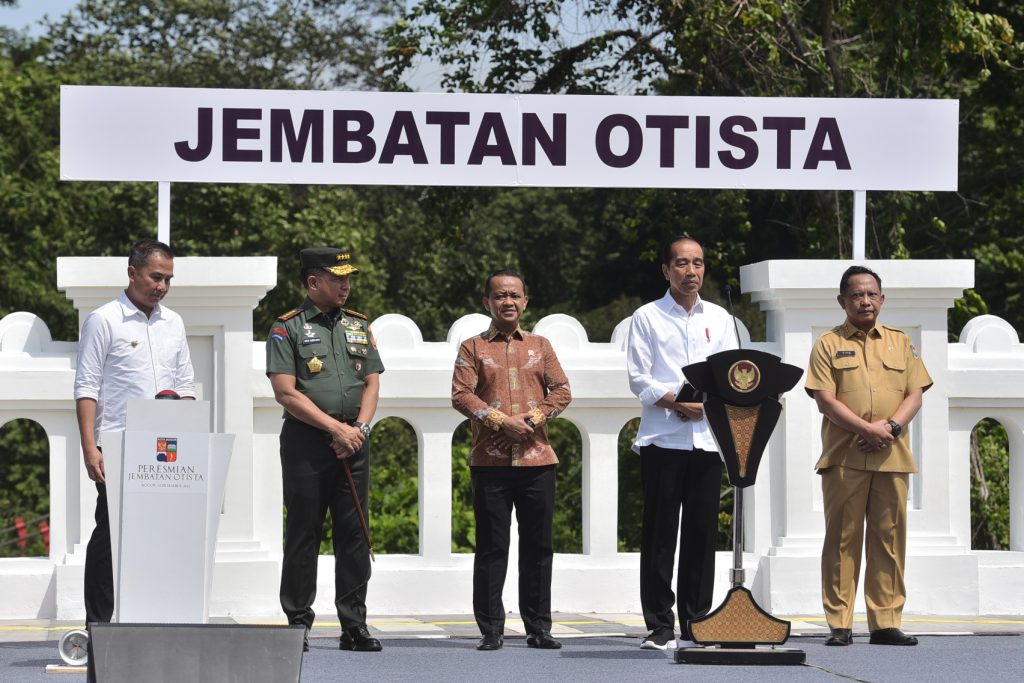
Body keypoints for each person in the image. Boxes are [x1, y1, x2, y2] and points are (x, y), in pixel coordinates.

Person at [74, 238, 196, 678]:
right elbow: (87, 386)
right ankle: (99, 628)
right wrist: (90, 447)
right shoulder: (103, 320)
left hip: (168, 449)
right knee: (110, 536)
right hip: (118, 446)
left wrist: (187, 427)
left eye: (168, 279)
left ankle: (154, 626)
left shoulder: (174, 323)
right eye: (155, 277)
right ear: (132, 272)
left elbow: (185, 381)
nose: (162, 286)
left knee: (162, 537)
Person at [805, 265, 932, 647]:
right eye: (856, 295)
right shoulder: (827, 344)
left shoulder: (900, 342)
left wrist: (890, 429)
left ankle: (886, 622)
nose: (865, 301)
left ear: (882, 298)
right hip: (845, 456)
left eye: (871, 294)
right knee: (842, 540)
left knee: (889, 539)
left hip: (891, 456)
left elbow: (915, 393)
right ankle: (840, 623)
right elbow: (825, 400)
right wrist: (867, 430)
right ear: (842, 300)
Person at [266, 248, 384, 653]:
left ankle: (354, 624)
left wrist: (359, 429)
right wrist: (335, 428)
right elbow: (285, 392)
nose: (345, 285)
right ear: (313, 282)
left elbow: (371, 382)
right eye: (337, 278)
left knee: (353, 534)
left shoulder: (358, 325)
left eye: (348, 277)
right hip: (307, 443)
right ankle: (298, 622)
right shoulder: (287, 328)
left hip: (355, 440)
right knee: (304, 532)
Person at [625, 236, 739, 650]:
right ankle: (658, 624)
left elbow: (730, 373)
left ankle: (696, 620)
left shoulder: (722, 318)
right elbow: (639, 377)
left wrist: (706, 406)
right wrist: (676, 400)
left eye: (698, 263)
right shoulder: (647, 317)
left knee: (701, 534)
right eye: (681, 264)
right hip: (663, 437)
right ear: (666, 270)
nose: (691, 271)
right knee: (659, 534)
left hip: (708, 440)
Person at [451, 269, 572, 652]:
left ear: (526, 301)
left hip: (539, 461)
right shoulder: (472, 347)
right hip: (490, 462)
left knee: (538, 548)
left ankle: (539, 627)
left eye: (515, 296)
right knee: (491, 547)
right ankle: (491, 629)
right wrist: (501, 420)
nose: (508, 302)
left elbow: (562, 390)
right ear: (487, 302)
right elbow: (460, 395)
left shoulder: (541, 345)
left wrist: (533, 419)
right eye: (500, 295)